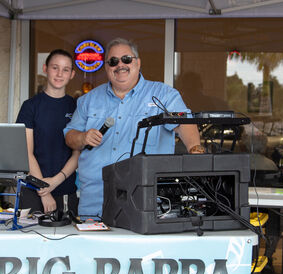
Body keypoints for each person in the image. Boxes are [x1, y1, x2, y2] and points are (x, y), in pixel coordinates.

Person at [65, 38, 204, 217]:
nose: (120, 65)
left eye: (126, 59)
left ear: (138, 63)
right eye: (113, 61)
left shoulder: (164, 95)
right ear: (107, 67)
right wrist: (83, 137)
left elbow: (185, 124)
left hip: (147, 201)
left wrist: (196, 151)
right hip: (95, 202)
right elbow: (70, 136)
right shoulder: (88, 100)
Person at [16, 49, 80, 215]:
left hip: (65, 189)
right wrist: (44, 190)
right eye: (55, 67)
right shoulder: (30, 106)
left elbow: (77, 154)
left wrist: (54, 182)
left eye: (65, 69)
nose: (60, 74)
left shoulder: (77, 108)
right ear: (45, 68)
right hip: (32, 191)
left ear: (72, 74)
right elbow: (25, 152)